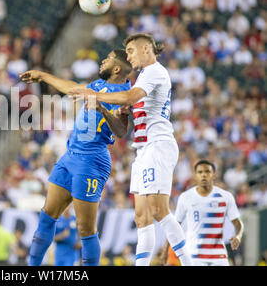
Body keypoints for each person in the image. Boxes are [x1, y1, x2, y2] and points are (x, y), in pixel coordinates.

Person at [69, 33, 192, 266]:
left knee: (159, 211)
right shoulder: (145, 76)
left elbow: (130, 95)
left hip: (158, 145)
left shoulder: (155, 71)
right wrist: (117, 110)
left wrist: (96, 94)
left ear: (146, 49)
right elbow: (127, 117)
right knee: (141, 217)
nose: (129, 57)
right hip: (143, 150)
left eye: (131, 52)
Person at [20, 49, 132, 266]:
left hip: (92, 161)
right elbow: (72, 88)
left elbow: (121, 131)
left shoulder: (124, 95)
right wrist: (42, 75)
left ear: (117, 68)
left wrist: (102, 107)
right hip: (70, 156)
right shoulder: (98, 86)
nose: (102, 61)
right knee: (47, 215)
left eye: (107, 58)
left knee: (86, 229)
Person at [161, 160, 244, 266]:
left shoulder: (225, 196)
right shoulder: (186, 197)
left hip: (218, 256)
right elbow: (174, 227)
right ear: (195, 175)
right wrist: (165, 250)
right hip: (194, 256)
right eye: (200, 172)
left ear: (214, 175)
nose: (204, 175)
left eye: (207, 172)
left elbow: (238, 223)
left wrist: (238, 236)